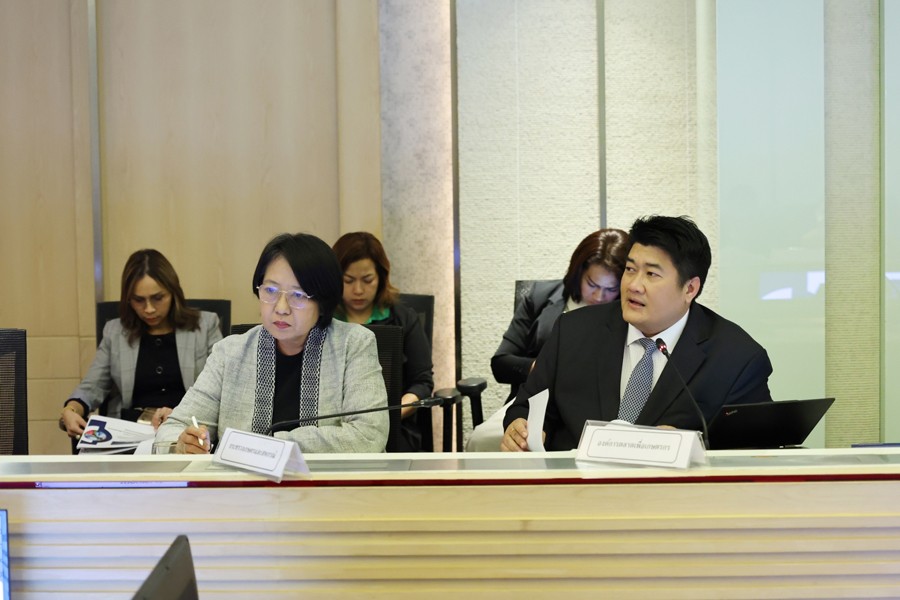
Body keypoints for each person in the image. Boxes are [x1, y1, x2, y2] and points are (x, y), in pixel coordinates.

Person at [502, 215, 773, 452]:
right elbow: (526, 407)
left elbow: (754, 447)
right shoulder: (572, 331)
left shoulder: (737, 358)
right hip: (580, 489)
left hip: (674, 493)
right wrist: (518, 427)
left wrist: (692, 447)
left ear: (690, 288)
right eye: (630, 270)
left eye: (652, 274)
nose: (633, 285)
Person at [155, 232, 388, 454]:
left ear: (323, 301)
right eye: (271, 290)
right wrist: (181, 445)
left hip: (327, 482)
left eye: (298, 295)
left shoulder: (354, 345)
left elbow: (369, 435)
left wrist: (269, 446)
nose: (281, 308)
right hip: (244, 482)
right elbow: (173, 429)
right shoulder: (229, 353)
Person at [466, 228, 630, 452]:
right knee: (482, 439)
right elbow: (501, 362)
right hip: (535, 399)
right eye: (592, 284)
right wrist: (543, 368)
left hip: (594, 406)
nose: (600, 296)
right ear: (578, 272)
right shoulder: (540, 297)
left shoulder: (627, 312)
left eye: (611, 289)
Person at [59, 249, 222, 440]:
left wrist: (179, 414)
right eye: (139, 300)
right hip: (128, 433)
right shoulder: (115, 332)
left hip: (184, 432)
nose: (149, 309)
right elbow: (92, 386)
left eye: (158, 298)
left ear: (173, 293)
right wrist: (71, 409)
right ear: (128, 299)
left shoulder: (205, 326)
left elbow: (218, 390)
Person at [331, 232, 434, 452]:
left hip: (394, 428)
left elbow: (422, 383)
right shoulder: (324, 320)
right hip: (332, 428)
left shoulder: (403, 318)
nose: (358, 290)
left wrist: (390, 415)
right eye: (348, 280)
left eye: (367, 280)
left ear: (381, 277)